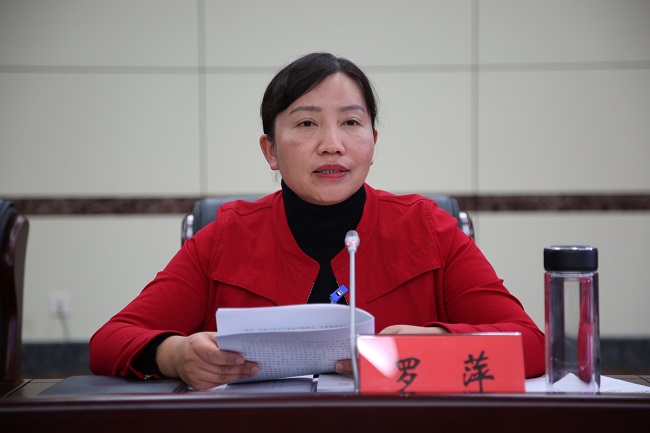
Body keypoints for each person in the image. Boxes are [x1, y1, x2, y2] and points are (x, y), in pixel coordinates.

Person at [89, 52, 545, 390]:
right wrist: (175, 355)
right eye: (307, 124)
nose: (332, 144)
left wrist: (439, 344)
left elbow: (530, 344)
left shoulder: (429, 228)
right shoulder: (225, 236)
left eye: (351, 123)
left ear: (372, 141)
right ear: (270, 150)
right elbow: (109, 340)